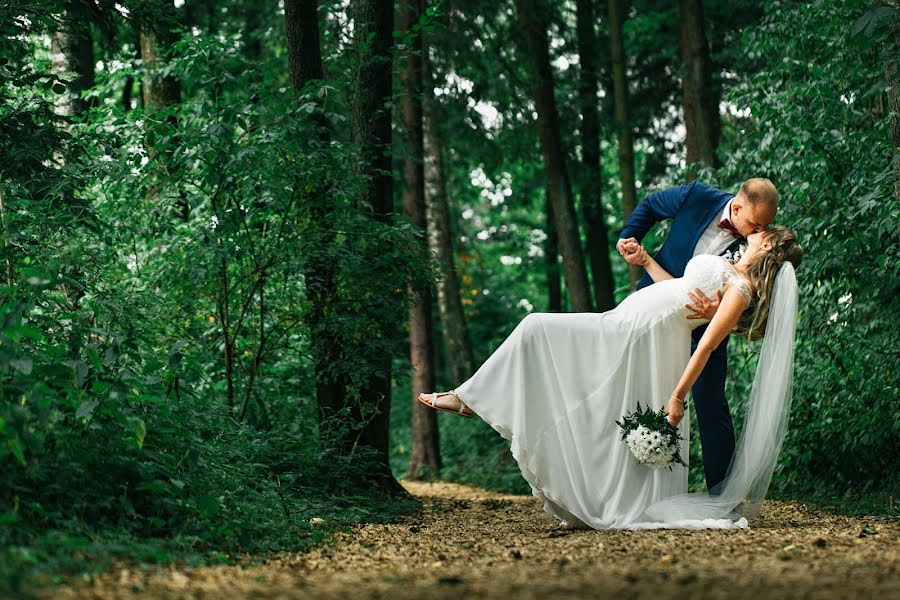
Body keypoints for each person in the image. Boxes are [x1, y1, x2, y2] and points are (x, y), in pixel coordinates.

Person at [417, 225, 802, 530]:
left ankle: (468, 397)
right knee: (602, 398)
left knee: (537, 328)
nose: (759, 228)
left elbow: (706, 348)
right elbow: (679, 289)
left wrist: (678, 396)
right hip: (634, 319)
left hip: (646, 336)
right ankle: (586, 486)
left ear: (768, 247)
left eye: (767, 230)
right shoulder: (731, 272)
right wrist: (647, 260)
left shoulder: (741, 289)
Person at [616, 178, 780, 493]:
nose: (760, 231)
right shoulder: (697, 195)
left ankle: (722, 494)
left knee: (711, 404)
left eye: (765, 225)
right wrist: (629, 238)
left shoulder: (759, 243)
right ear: (737, 206)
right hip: (657, 308)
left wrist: (725, 313)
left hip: (707, 328)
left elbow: (759, 296)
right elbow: (650, 205)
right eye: (756, 223)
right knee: (635, 386)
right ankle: (632, 487)